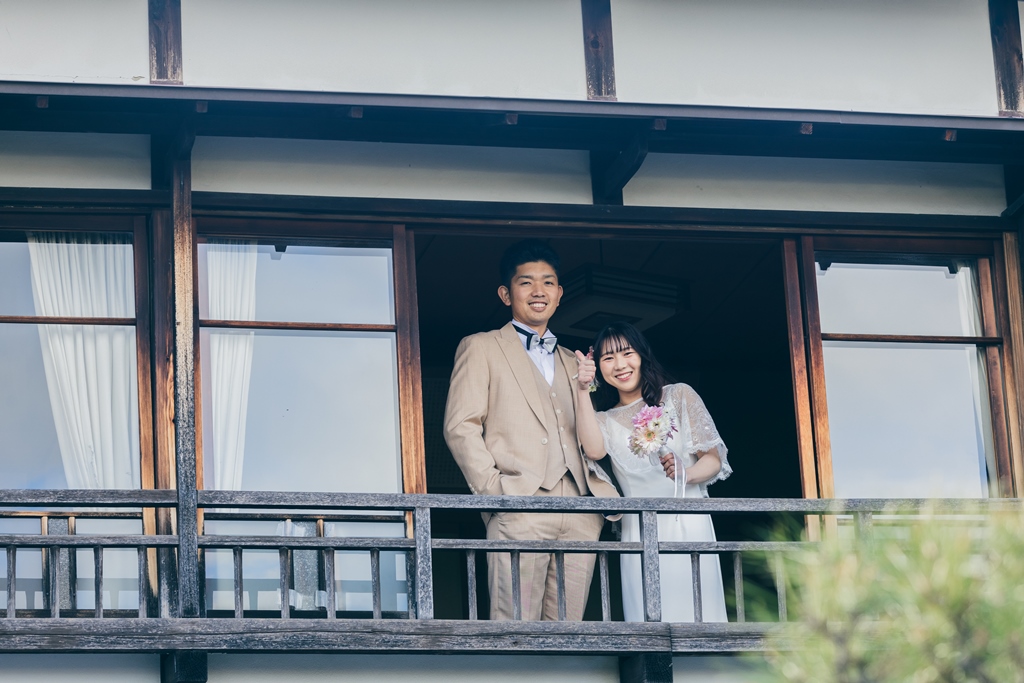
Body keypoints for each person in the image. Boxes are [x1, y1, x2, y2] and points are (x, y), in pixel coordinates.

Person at [444, 239, 620, 621]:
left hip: (580, 508)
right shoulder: (481, 347)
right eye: (526, 282)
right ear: (506, 294)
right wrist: (495, 492)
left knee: (568, 632)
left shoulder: (573, 361)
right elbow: (461, 426)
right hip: (518, 503)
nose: (538, 291)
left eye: (548, 282)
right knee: (515, 630)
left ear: (559, 294)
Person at [576, 321, 731, 623]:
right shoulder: (604, 420)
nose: (620, 365)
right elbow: (593, 451)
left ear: (642, 355)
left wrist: (686, 473)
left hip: (687, 522)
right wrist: (582, 389)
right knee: (648, 622)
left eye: (627, 353)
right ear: (599, 368)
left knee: (698, 615)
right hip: (639, 532)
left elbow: (712, 459)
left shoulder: (679, 395)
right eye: (608, 358)